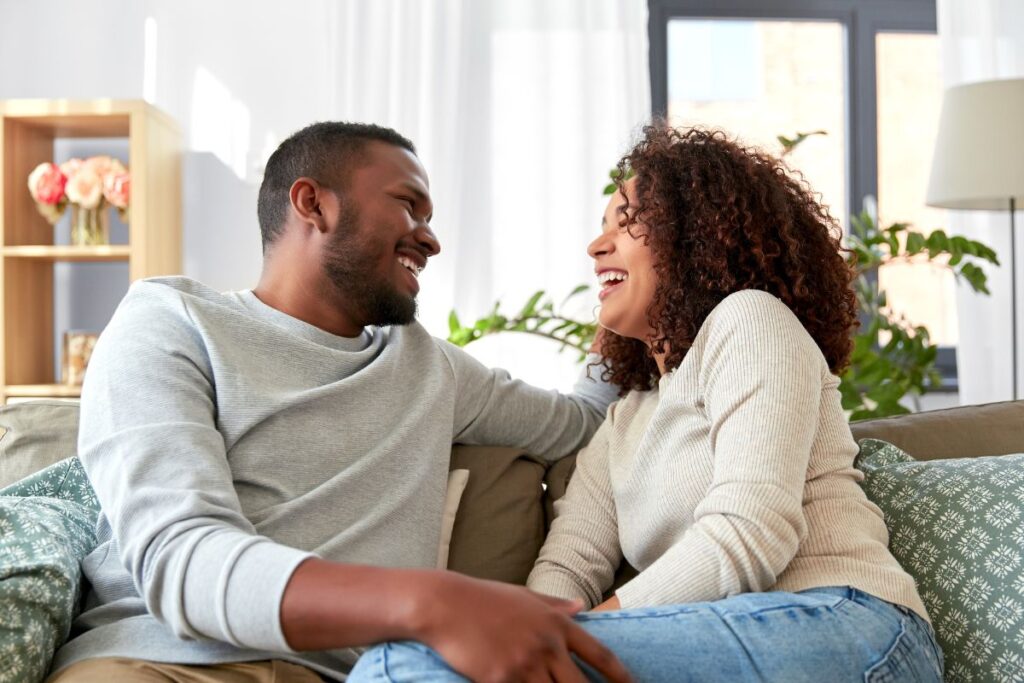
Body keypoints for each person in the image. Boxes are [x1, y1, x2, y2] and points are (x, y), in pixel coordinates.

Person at [348, 124, 946, 682]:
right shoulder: (624, 419)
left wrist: (566, 637)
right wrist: (528, 628)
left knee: (403, 668)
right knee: (418, 664)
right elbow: (568, 569)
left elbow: (752, 532)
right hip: (739, 637)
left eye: (628, 221)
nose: (595, 244)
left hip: (849, 628)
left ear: (700, 235)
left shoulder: (751, 322)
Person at [47, 122, 633, 683]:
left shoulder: (430, 367)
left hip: (356, 677)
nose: (431, 239)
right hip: (158, 663)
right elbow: (184, 561)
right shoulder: (170, 323)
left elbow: (582, 423)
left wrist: (623, 302)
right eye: (409, 205)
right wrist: (433, 604)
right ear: (314, 204)